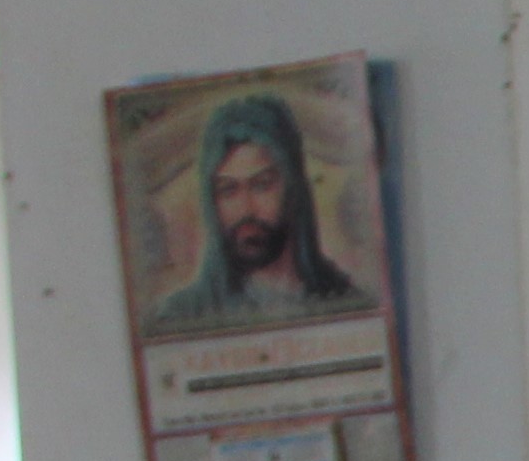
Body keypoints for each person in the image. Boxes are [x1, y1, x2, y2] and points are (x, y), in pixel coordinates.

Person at [147, 90, 371, 329]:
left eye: (262, 185)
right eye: (228, 190)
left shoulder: (347, 301)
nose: (246, 210)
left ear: (293, 187)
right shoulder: (182, 316)